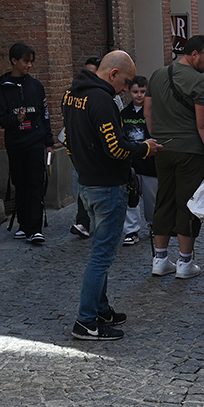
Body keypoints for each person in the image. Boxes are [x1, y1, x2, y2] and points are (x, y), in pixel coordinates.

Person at [63, 51, 161, 340]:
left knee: (100, 251)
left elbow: (68, 139)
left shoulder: (71, 95)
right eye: (126, 82)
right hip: (106, 185)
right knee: (102, 256)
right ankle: (86, 321)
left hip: (88, 182)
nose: (126, 89)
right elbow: (115, 148)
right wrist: (144, 148)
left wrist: (82, 166)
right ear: (114, 74)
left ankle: (101, 309)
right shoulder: (102, 100)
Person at [146, 35, 204, 278]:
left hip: (162, 148)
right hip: (190, 150)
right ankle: (185, 264)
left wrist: (156, 136)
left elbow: (148, 112)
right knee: (188, 203)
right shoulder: (199, 83)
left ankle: (159, 260)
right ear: (194, 54)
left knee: (164, 200)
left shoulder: (157, 75)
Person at [0, 42, 55, 244]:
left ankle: (35, 228)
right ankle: (24, 224)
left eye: (31, 62)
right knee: (20, 183)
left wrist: (49, 142)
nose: (29, 65)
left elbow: (44, 115)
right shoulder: (3, 87)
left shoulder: (36, 86)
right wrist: (14, 120)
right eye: (25, 61)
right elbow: (0, 116)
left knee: (36, 182)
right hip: (15, 142)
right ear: (14, 61)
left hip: (35, 141)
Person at [121, 76, 157, 247]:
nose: (139, 95)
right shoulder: (124, 114)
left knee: (152, 198)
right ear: (129, 92)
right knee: (131, 198)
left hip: (150, 163)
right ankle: (131, 230)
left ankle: (154, 225)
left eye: (143, 92)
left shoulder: (153, 112)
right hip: (131, 162)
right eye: (135, 92)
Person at [69, 56, 101, 239]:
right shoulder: (74, 96)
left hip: (100, 149)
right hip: (82, 147)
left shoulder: (106, 96)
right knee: (83, 184)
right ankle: (83, 221)